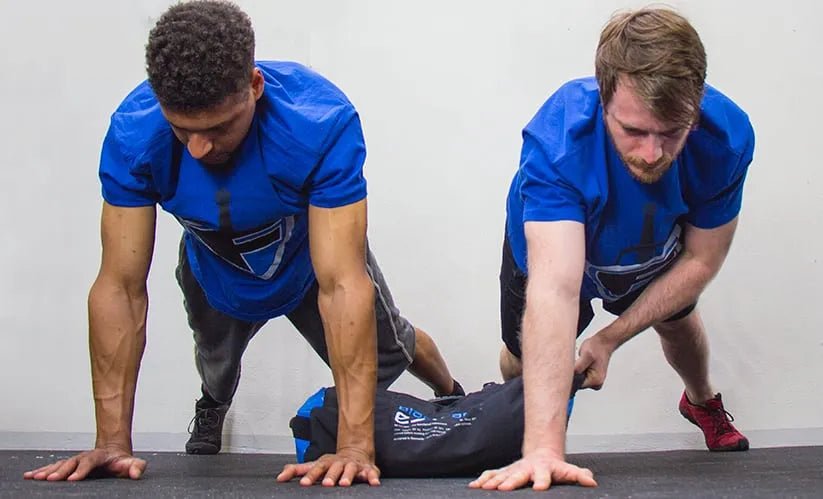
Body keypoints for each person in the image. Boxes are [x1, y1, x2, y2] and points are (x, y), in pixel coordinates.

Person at [23, 0, 461, 487]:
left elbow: (341, 283)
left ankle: (452, 392)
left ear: (255, 87)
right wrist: (110, 442)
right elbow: (120, 287)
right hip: (215, 271)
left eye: (216, 128)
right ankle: (212, 404)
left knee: (394, 348)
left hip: (310, 264)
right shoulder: (134, 133)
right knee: (216, 367)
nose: (198, 149)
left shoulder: (318, 123)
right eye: (181, 129)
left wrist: (355, 447)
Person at [471, 7, 754, 491]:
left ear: (696, 104)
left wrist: (610, 337)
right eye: (634, 131)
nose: (652, 153)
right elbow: (557, 289)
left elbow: (703, 258)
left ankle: (702, 401)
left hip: (647, 240)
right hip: (551, 253)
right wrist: (544, 447)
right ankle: (530, 415)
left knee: (681, 326)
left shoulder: (725, 138)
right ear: (603, 101)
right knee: (524, 354)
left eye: (671, 132)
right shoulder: (559, 138)